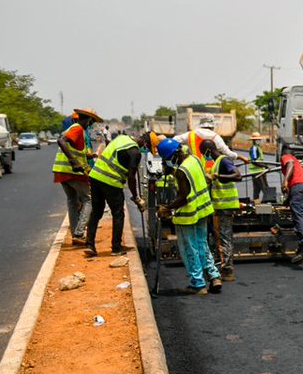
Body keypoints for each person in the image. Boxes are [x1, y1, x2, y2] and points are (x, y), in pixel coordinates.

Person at [156, 138, 222, 295]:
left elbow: (183, 197)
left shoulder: (181, 171)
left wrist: (167, 207)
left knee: (189, 248)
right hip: (203, 210)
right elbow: (193, 180)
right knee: (202, 244)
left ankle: (198, 284)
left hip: (188, 215)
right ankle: (214, 276)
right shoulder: (194, 159)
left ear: (172, 156)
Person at [83, 129, 153, 257]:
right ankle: (116, 247)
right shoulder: (135, 152)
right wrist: (136, 197)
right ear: (145, 144)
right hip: (110, 182)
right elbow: (131, 178)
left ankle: (89, 244)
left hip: (95, 176)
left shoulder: (121, 138)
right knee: (118, 214)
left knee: (97, 211)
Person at [52, 108, 102, 244]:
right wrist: (74, 162)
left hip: (61, 171)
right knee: (88, 200)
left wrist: (90, 155)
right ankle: (79, 233)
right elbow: (61, 141)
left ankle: (75, 235)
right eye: (91, 122)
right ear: (88, 120)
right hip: (72, 172)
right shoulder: (77, 128)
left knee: (72, 202)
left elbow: (75, 148)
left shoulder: (77, 131)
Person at [201, 140, 242, 280]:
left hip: (225, 206)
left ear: (208, 150)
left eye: (204, 153)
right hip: (220, 206)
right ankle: (225, 267)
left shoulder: (223, 161)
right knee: (223, 237)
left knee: (225, 238)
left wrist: (218, 176)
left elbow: (237, 175)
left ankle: (227, 270)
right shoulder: (216, 163)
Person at [280, 145, 303, 264]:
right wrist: (287, 200)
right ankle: (302, 251)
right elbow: (296, 184)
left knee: (299, 217)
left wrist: (285, 181)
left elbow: (289, 164)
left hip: (298, 190)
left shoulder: (286, 157)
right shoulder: (297, 162)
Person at [173, 115, 249, 164]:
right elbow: (229, 154)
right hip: (210, 173)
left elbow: (173, 141)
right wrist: (242, 158)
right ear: (212, 126)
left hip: (193, 169)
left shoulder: (189, 134)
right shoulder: (215, 137)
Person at [248, 133, 268, 203]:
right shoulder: (254, 148)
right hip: (257, 172)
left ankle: (256, 202)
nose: (259, 141)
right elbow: (254, 161)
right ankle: (267, 202)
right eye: (257, 140)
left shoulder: (257, 148)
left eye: (259, 139)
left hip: (259, 171)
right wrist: (264, 166)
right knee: (265, 188)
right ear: (254, 141)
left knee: (257, 189)